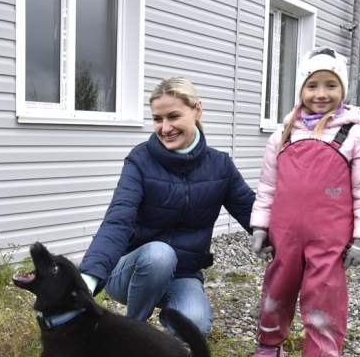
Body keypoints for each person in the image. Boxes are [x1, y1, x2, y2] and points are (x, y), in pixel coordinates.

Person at [247, 47, 360, 357]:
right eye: (312, 86)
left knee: (323, 298)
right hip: (285, 236)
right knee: (276, 289)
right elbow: (267, 188)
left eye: (330, 85)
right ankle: (269, 346)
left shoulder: (356, 137)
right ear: (300, 90)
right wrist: (260, 227)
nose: (320, 94)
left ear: (343, 90)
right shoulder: (282, 135)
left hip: (330, 240)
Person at [78, 76, 256, 337]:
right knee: (160, 254)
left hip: (182, 274)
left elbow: (254, 214)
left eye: (173, 116)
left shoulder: (220, 166)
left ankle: (165, 322)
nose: (165, 127)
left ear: (197, 110)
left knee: (194, 327)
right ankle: (132, 334)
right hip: (132, 269)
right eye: (157, 119)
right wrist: (88, 279)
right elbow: (119, 219)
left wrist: (302, 250)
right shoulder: (140, 160)